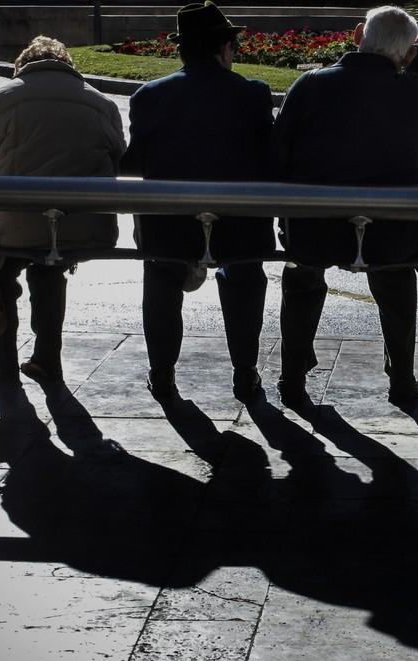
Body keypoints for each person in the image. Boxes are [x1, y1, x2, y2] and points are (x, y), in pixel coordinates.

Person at [271, 5, 418, 410]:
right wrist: (416, 59)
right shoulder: (416, 93)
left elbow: (280, 148)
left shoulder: (311, 85)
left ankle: (292, 378)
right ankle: (402, 380)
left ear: (359, 33)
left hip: (315, 224)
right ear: (410, 52)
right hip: (391, 229)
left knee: (302, 280)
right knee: (396, 287)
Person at [122, 1, 276, 405]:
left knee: (161, 284)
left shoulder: (148, 96)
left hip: (168, 220)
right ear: (224, 48)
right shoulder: (253, 94)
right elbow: (269, 158)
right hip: (239, 221)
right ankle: (245, 373)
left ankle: (163, 376)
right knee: (243, 281)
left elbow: (134, 161)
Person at [0, 35, 125, 383]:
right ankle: (47, 358)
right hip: (83, 224)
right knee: (50, 265)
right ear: (68, 66)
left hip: (11, 224)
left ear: (22, 67)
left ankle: (1, 359)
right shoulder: (103, 105)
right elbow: (120, 165)